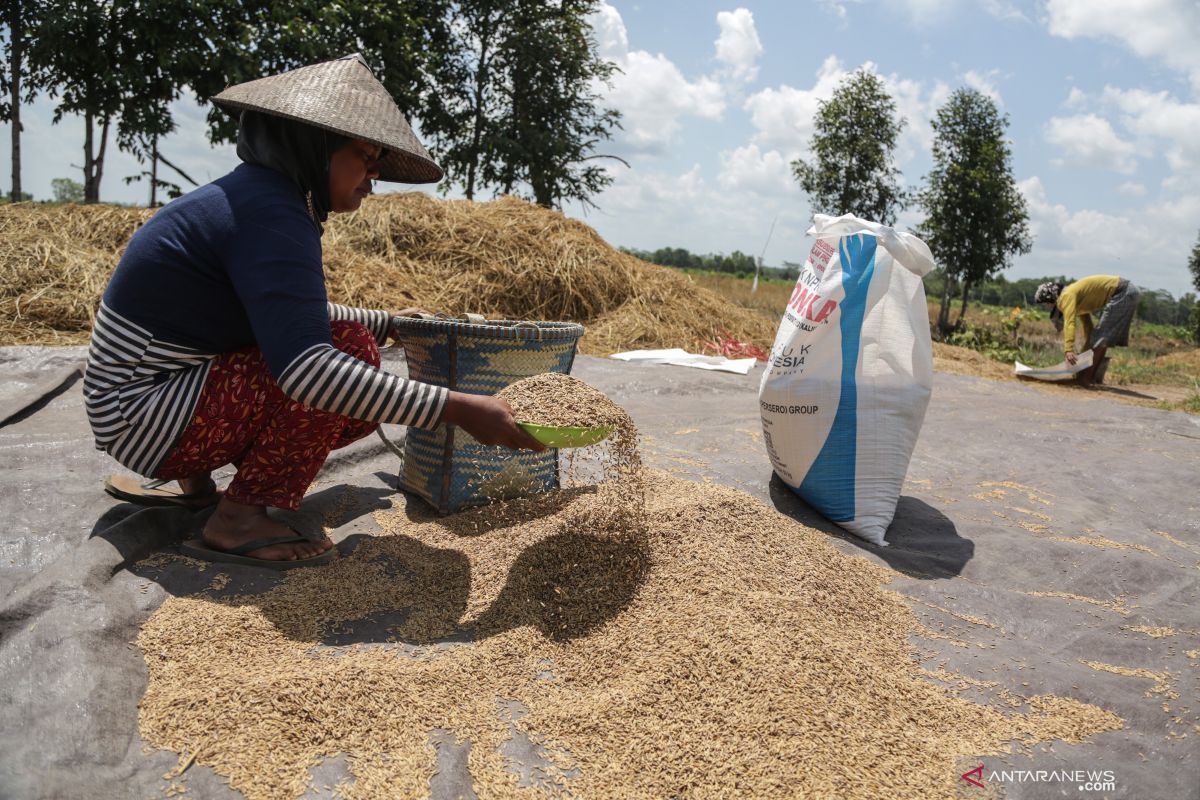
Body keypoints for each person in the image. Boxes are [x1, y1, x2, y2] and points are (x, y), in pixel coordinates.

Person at [85, 55, 544, 569]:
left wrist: (388, 322)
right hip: (142, 415)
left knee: (341, 350)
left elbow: (287, 312)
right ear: (313, 145)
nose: (374, 178)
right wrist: (459, 408)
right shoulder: (273, 214)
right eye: (366, 157)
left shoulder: (256, 199)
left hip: (138, 406)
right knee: (346, 354)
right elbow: (309, 370)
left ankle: (196, 484)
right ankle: (236, 520)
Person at [1034, 275, 1140, 386]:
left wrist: (1068, 350)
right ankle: (1091, 378)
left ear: (1051, 298)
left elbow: (1069, 323)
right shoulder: (1075, 297)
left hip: (1122, 292)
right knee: (1100, 338)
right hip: (1126, 291)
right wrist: (1085, 352)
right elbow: (1088, 327)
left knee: (1101, 338)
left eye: (1046, 304)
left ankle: (1086, 379)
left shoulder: (1066, 296)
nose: (1047, 307)